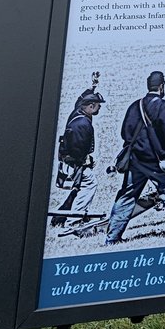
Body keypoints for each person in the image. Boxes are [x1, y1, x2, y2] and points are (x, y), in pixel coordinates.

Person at [105, 71, 165, 244]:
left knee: (127, 196)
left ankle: (112, 237)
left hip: (136, 160)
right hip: (157, 162)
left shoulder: (134, 106)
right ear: (161, 87)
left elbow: (125, 133)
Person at [51, 86, 105, 228]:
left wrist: (92, 86)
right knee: (90, 183)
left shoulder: (77, 111)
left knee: (78, 188)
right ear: (91, 106)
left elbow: (80, 100)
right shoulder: (82, 124)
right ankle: (74, 220)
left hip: (68, 162)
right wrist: (85, 161)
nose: (99, 108)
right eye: (98, 105)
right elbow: (76, 150)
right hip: (73, 164)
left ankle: (59, 217)